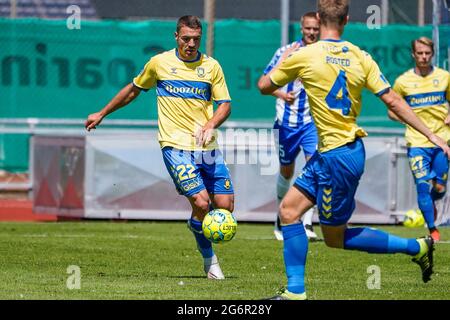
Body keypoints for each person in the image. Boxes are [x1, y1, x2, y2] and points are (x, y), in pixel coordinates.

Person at [258, 0, 449, 300]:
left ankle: (417, 247)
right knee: (289, 211)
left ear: (319, 19)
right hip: (335, 153)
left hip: (337, 158)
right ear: (346, 20)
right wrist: (435, 137)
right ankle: (295, 291)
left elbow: (265, 86)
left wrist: (287, 61)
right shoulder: (361, 56)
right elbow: (395, 102)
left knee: (335, 238)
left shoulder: (304, 55)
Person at [85, 15, 234, 280]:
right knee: (201, 203)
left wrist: (211, 124)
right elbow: (133, 90)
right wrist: (103, 113)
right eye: (186, 38)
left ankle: (195, 225)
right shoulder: (160, 63)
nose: (190, 44)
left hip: (207, 147)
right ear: (176, 36)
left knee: (225, 207)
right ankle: (210, 262)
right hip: (175, 146)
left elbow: (224, 105)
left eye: (196, 40)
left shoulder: (211, 67)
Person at [259, 12, 320, 241]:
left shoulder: (323, 51)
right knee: (287, 171)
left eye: (316, 29)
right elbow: (263, 83)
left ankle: (306, 222)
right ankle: (281, 217)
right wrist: (283, 94)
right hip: (286, 124)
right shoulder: (287, 51)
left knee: (315, 167)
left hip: (311, 123)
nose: (312, 33)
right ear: (301, 28)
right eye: (308, 29)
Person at [390, 37, 450, 243]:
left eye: (427, 53)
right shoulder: (403, 81)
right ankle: (433, 230)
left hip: (441, 141)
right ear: (413, 55)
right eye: (420, 53)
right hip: (416, 143)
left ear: (432, 54)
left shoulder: (444, 77)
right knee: (422, 185)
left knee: (440, 189)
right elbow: (391, 111)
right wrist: (409, 121)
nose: (423, 57)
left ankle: (430, 204)